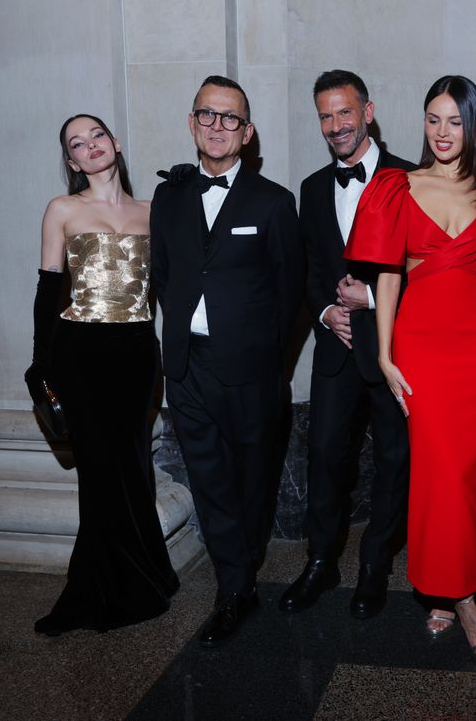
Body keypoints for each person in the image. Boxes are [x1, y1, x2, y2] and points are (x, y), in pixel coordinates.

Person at [344, 75, 476, 660]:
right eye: (433, 119)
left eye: (455, 121)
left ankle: (456, 591)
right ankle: (455, 594)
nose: (442, 132)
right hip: (419, 343)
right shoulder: (397, 186)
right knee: (434, 470)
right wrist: (384, 353)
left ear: (474, 125)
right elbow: (388, 276)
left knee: (469, 473)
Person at [150, 76, 304, 646]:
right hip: (187, 366)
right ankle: (234, 587)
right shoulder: (168, 198)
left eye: (230, 117)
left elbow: (291, 292)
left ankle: (243, 569)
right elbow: (164, 274)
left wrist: (267, 358)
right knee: (210, 479)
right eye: (207, 115)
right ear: (192, 122)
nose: (218, 126)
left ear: (248, 131)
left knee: (251, 479)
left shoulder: (273, 201)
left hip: (251, 370)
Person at [26, 113, 180, 636]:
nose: (90, 146)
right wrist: (41, 362)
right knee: (97, 474)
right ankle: (87, 594)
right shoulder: (63, 209)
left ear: (114, 143)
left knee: (133, 466)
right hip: (81, 352)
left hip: (137, 352)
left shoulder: (154, 211)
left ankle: (148, 576)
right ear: (72, 162)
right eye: (77, 143)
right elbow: (48, 289)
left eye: (97, 135)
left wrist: (186, 192)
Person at [279, 70, 413, 619]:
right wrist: (325, 311)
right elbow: (308, 269)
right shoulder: (312, 188)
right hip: (334, 351)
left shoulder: (410, 178)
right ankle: (320, 561)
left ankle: (375, 565)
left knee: (394, 459)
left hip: (393, 351)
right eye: (325, 116)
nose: (335, 125)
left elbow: (427, 272)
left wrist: (373, 300)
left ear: (368, 112)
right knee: (324, 457)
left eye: (344, 112)